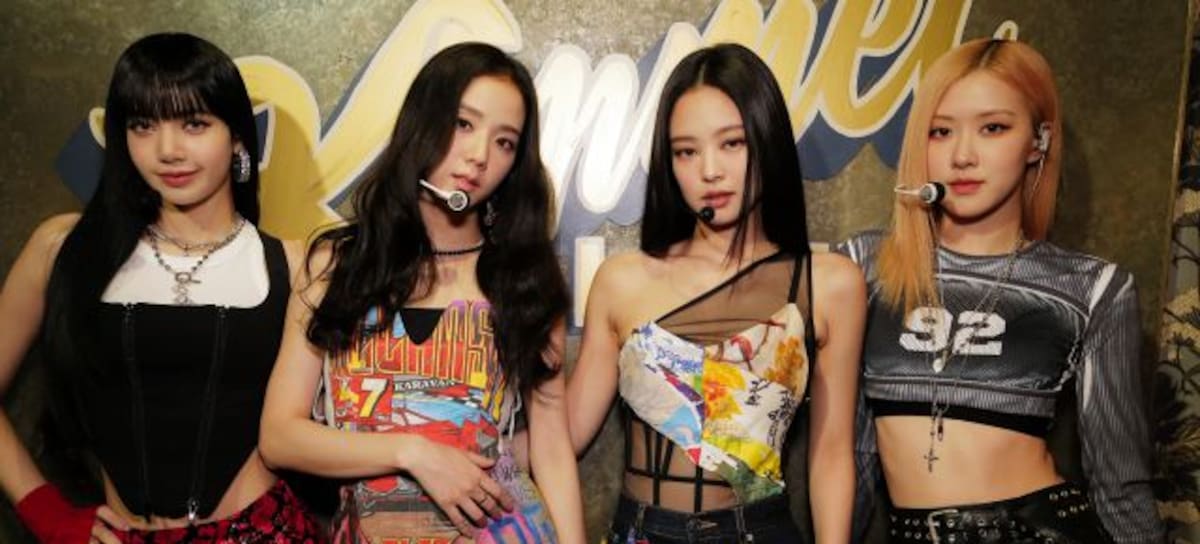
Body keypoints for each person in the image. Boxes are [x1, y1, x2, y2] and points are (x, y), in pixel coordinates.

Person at [838, 37, 1165, 543]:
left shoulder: (1091, 287)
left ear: (1039, 141)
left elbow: (1120, 484)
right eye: (940, 131)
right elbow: (852, 454)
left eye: (993, 128)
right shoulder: (863, 267)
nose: (963, 156)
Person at [0, 33, 323, 543]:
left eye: (194, 124)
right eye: (143, 125)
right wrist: (48, 514)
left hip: (262, 533)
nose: (168, 150)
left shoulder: (296, 263)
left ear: (238, 138)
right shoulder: (62, 248)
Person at [258, 42, 585, 544]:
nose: (479, 156)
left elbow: (552, 449)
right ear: (424, 122)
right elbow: (280, 437)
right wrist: (413, 452)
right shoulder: (336, 264)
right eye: (463, 124)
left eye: (504, 142)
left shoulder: (524, 280)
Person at [566, 43, 865, 543]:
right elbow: (566, 435)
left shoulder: (829, 283)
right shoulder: (622, 280)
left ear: (766, 141)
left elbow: (831, 454)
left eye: (732, 143)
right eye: (686, 151)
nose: (710, 170)